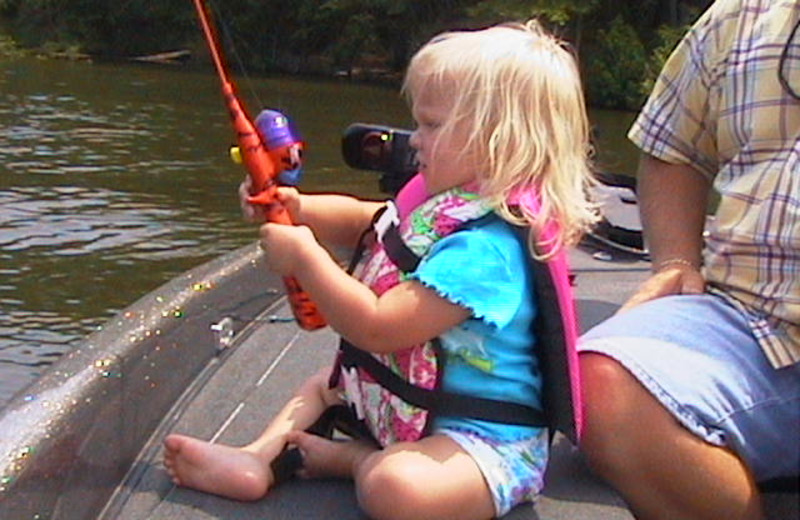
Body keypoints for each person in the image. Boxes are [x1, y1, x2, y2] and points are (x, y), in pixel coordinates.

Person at [163, 19, 597, 520]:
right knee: (324, 386)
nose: (415, 140)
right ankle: (257, 458)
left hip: (481, 444)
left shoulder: (488, 253)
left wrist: (306, 256)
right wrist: (293, 206)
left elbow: (379, 327)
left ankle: (355, 461)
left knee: (395, 489)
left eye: (432, 126)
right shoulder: (441, 205)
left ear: (501, 143)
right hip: (414, 413)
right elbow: (369, 224)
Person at [578, 1, 800, 519]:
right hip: (748, 321)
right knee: (602, 387)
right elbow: (673, 146)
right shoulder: (739, 15)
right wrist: (677, 260)